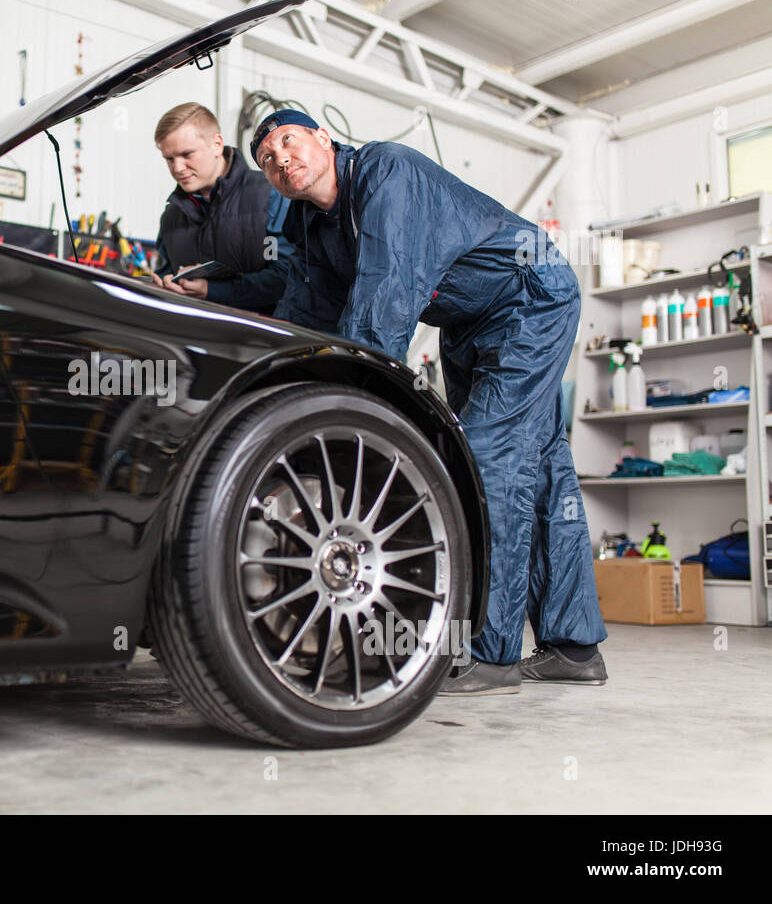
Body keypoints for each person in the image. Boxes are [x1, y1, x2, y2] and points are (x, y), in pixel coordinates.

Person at [249, 108, 608, 696]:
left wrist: (349, 413)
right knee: (539, 468)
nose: (280, 159)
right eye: (266, 159)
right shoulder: (316, 230)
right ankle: (574, 646)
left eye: (287, 140)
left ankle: (491, 654)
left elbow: (385, 295)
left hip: (529, 300)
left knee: (487, 458)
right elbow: (306, 316)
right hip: (468, 325)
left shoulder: (386, 172)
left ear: (323, 137)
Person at [150, 103, 292, 313]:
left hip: (261, 340)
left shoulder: (270, 194)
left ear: (216, 144)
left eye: (187, 154)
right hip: (195, 339)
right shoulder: (171, 216)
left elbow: (284, 277)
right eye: (169, 159)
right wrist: (165, 285)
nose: (177, 168)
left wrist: (212, 291)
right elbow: (164, 273)